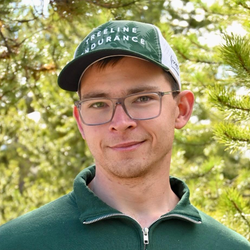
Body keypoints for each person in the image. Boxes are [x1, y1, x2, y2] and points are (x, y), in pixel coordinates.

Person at [0, 20, 249, 250]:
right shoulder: (15, 243)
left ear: (181, 110)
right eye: (98, 104)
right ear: (80, 122)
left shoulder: (228, 247)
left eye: (142, 99)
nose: (120, 122)